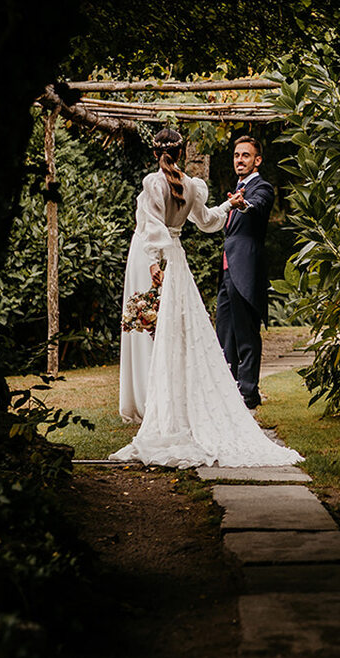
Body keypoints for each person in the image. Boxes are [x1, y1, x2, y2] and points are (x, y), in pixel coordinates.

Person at [110, 127, 302, 468]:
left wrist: (153, 262)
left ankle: (167, 406)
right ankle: (183, 404)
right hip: (178, 262)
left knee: (166, 333)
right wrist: (228, 203)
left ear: (155, 153)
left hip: (158, 260)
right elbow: (209, 221)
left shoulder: (154, 183)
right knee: (183, 334)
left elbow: (153, 227)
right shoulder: (193, 186)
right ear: (183, 153)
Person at [217, 134, 275, 409]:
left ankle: (249, 393)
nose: (240, 160)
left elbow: (258, 205)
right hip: (227, 270)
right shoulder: (236, 188)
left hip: (246, 270)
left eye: (246, 155)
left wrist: (244, 205)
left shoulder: (262, 187)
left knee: (246, 333)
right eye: (237, 155)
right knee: (225, 332)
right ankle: (229, 391)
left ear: (257, 160)